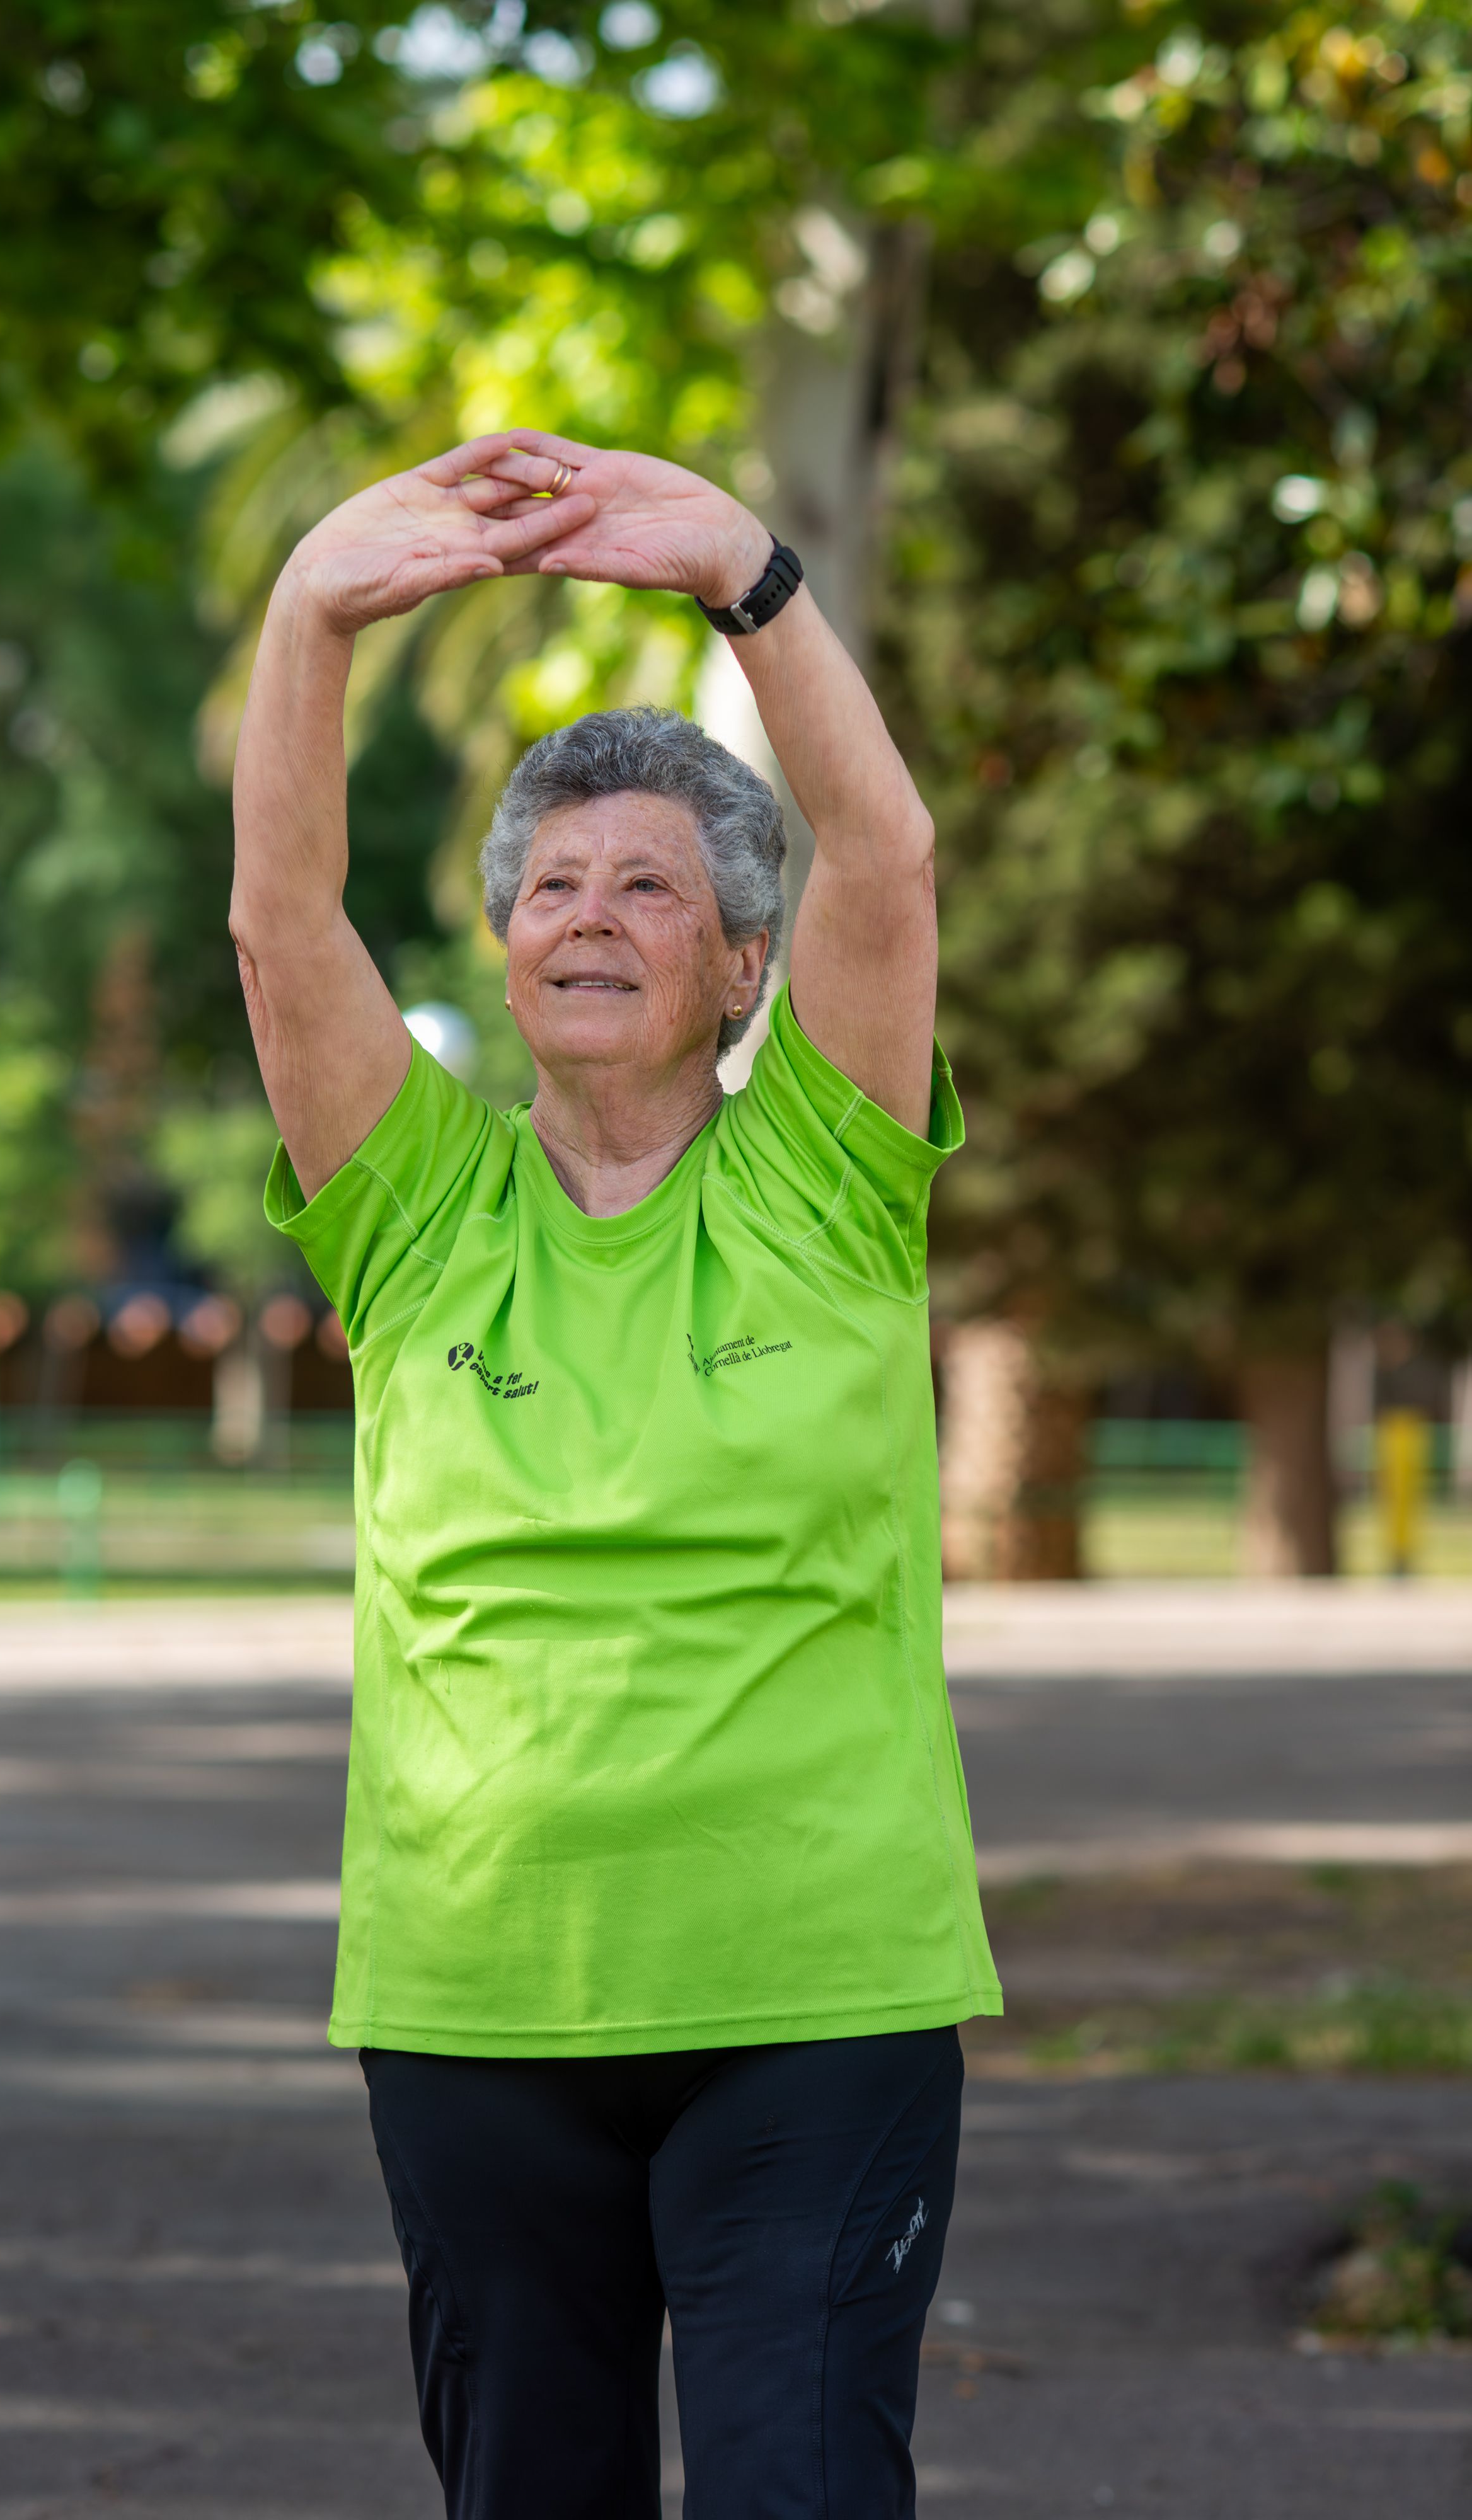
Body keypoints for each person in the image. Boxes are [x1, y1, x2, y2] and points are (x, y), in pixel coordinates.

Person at [231, 428, 1001, 2520]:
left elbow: (894, 855)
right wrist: (314, 609)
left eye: (649, 882)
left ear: (742, 965)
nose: (588, 913)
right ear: (501, 953)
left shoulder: (827, 1184)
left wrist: (752, 577)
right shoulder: (410, 1206)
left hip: (815, 2008)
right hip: (478, 2007)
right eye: (551, 884)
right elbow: (278, 912)